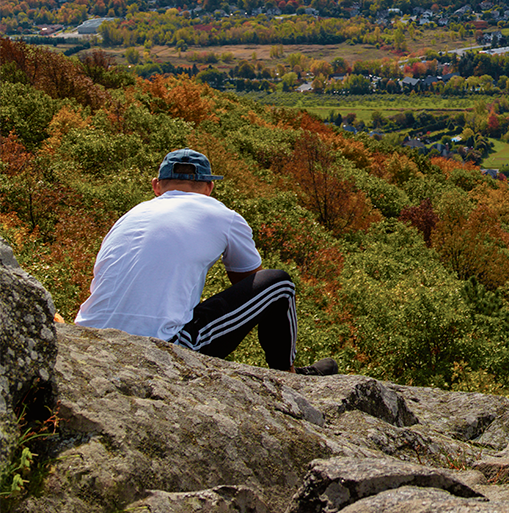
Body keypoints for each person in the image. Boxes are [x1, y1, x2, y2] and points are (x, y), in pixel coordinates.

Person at [76, 148, 337, 376]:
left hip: (88, 339)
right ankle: (289, 376)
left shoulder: (130, 216)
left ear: (156, 186)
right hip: (162, 346)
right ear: (209, 188)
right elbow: (252, 286)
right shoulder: (223, 216)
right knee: (279, 285)